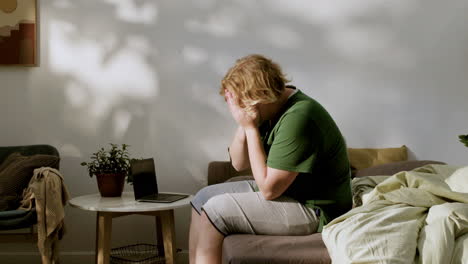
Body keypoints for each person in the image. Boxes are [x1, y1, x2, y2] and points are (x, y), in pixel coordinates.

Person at [189, 54, 352, 264]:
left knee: (215, 211)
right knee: (202, 198)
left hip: (315, 209)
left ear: (258, 100)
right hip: (290, 193)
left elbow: (268, 189)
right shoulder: (271, 107)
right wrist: (243, 125)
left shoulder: (298, 117)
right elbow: (238, 164)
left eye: (241, 103)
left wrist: (249, 126)